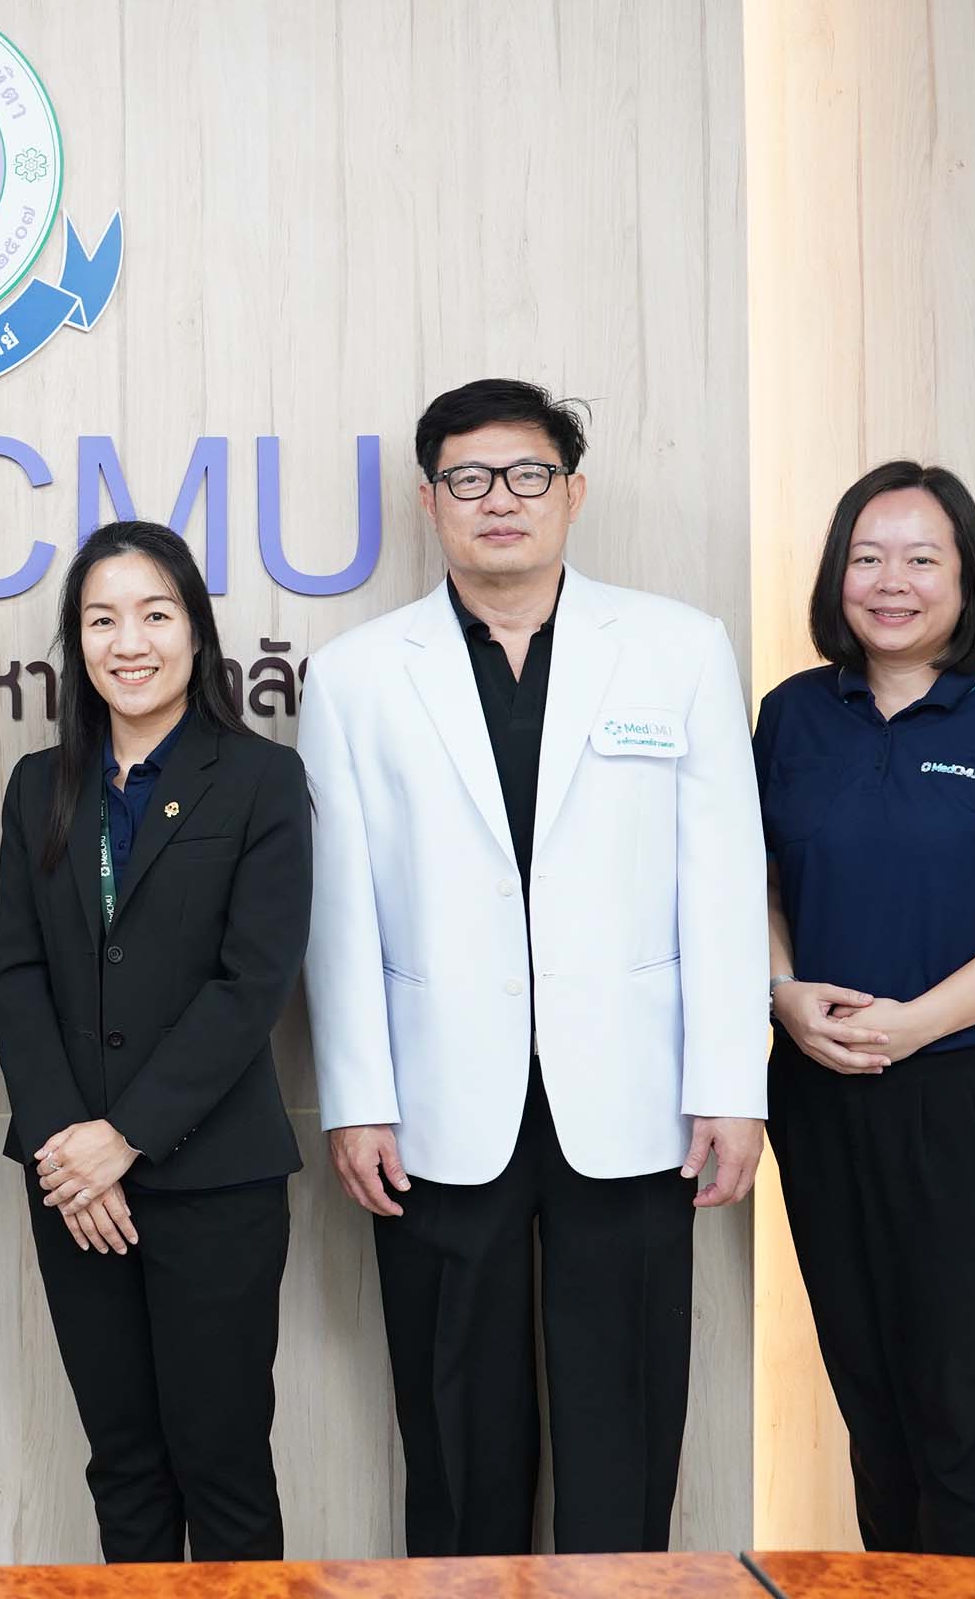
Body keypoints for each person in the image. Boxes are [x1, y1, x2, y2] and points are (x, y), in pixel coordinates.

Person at [299, 378, 768, 1556]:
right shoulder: (357, 672)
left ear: (573, 492)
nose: (497, 499)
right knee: (457, 1420)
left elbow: (720, 880)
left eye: (525, 475)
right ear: (429, 500)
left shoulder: (676, 647)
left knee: (627, 1412)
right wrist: (358, 1096)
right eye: (467, 478)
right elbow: (339, 909)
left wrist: (731, 1082)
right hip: (437, 1100)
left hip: (635, 1094)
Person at [757, 461, 975, 1560]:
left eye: (922, 558)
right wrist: (781, 991)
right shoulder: (791, 715)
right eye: (866, 557)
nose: (891, 582)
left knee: (970, 1404)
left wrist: (918, 1021)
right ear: (836, 574)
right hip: (822, 1091)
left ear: (966, 578)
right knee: (873, 1402)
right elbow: (753, 884)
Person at [0, 520, 311, 1563]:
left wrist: (121, 1136)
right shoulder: (39, 783)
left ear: (196, 631)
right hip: (73, 1187)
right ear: (77, 641)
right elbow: (17, 975)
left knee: (222, 1464)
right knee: (122, 1465)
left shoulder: (260, 778)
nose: (129, 642)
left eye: (154, 614)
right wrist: (67, 1150)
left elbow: (251, 983)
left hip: (213, 1176)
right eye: (101, 619)